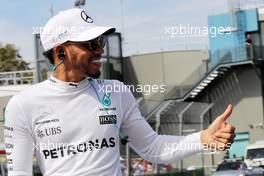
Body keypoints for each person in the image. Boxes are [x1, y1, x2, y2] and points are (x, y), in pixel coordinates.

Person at [4, 8, 235, 176]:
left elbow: (153, 147)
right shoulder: (23, 104)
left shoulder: (116, 91)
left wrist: (203, 139)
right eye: (90, 44)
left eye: (101, 41)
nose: (100, 50)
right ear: (60, 52)